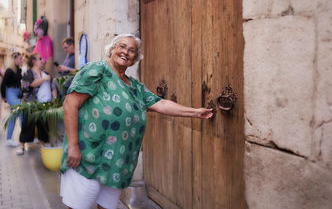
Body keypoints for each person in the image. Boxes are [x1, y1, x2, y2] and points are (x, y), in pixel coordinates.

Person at [60, 34, 213, 209]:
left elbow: (161, 104)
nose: (126, 52)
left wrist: (195, 112)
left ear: (135, 58)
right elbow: (70, 104)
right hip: (89, 156)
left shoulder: (135, 86)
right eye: (122, 46)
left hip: (116, 163)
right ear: (112, 49)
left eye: (132, 50)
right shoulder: (97, 70)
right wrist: (73, 146)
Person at [17, 53, 52, 155]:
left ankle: (43, 144)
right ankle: (21, 145)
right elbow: (29, 85)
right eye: (40, 58)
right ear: (34, 61)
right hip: (30, 103)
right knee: (27, 123)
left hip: (43, 103)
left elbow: (52, 85)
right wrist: (44, 79)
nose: (42, 60)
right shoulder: (28, 73)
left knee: (43, 124)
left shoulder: (45, 72)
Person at [1, 52, 23, 147]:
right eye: (19, 58)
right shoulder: (10, 70)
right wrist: (3, 96)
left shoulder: (19, 69)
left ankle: (9, 139)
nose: (21, 60)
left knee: (13, 116)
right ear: (14, 59)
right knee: (21, 110)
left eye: (21, 58)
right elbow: (3, 84)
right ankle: (24, 137)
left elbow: (19, 83)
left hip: (16, 93)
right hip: (10, 92)